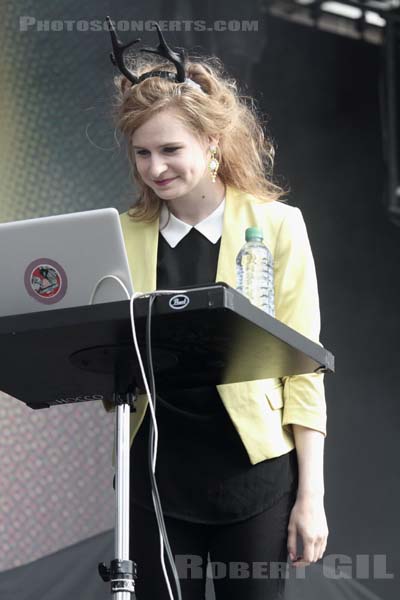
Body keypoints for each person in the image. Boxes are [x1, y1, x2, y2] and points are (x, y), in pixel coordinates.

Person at [105, 21, 328, 600]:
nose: (156, 168)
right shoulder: (119, 236)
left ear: (212, 144)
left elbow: (304, 369)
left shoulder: (279, 226)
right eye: (143, 153)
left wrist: (312, 497)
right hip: (154, 480)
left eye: (171, 150)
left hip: (254, 478)